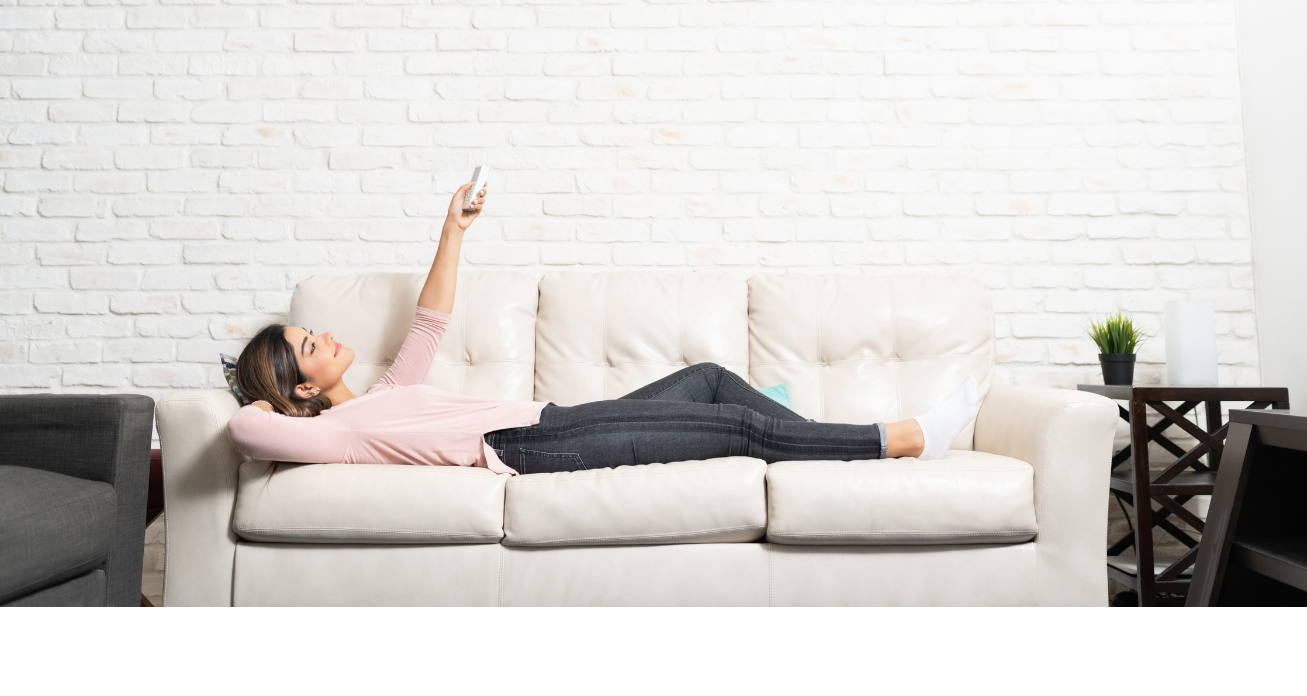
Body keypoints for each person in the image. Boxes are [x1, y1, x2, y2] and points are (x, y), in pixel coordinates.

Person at [227, 182, 979, 474]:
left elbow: (431, 319)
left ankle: (824, 448)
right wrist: (266, 405)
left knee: (712, 382)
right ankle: (901, 438)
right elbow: (247, 435)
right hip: (534, 447)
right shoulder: (338, 434)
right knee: (737, 428)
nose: (321, 335)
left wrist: (451, 228)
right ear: (300, 383)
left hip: (551, 420)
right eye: (306, 345)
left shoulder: (386, 394)